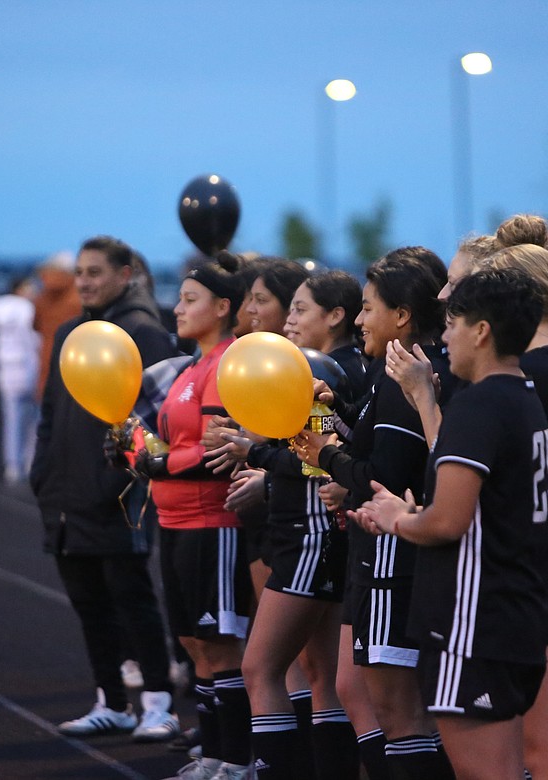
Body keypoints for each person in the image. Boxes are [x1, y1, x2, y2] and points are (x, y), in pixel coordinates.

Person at [387, 239, 548, 780]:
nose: (445, 319)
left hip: (510, 582)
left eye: (458, 301)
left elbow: (453, 505)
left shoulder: (517, 384)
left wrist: (399, 516)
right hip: (545, 566)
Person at [353, 267, 548, 780]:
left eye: (453, 323)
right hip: (516, 616)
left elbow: (448, 521)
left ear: (481, 330)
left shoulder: (479, 404)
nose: (444, 335)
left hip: (474, 626)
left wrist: (399, 519)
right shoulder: (526, 396)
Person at [294, 247, 456, 779]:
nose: (360, 319)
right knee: (366, 695)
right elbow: (382, 454)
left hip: (394, 557)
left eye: (368, 308)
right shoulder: (396, 374)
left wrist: (328, 458)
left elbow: (385, 474)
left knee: (401, 715)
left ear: (402, 315)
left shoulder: (405, 375)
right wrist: (337, 420)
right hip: (386, 554)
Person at [208, 270, 368, 780]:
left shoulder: (327, 376)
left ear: (334, 317)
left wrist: (259, 455)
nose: (287, 319)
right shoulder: (318, 370)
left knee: (260, 667)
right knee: (323, 675)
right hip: (308, 531)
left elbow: (325, 456)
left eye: (299, 309)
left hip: (314, 534)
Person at [29, 235, 181, 743]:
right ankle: (111, 701)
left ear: (125, 275)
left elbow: (159, 420)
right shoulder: (70, 330)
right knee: (88, 602)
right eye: (80, 272)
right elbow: (51, 410)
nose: (85, 281)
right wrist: (43, 470)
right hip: (65, 494)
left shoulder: (144, 333)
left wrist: (118, 477)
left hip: (119, 495)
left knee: (130, 596)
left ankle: (158, 703)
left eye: (96, 272)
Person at [136, 252, 256, 780]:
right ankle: (211, 755)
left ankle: (236, 760)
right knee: (192, 644)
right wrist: (134, 445)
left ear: (223, 306)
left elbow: (212, 455)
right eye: (178, 298)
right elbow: (170, 442)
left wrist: (156, 460)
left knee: (221, 646)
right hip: (174, 522)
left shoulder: (225, 363)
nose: (177, 309)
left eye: (190, 299)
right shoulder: (189, 367)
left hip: (213, 525)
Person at [0, 275, 40, 484]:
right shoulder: (28, 310)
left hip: (7, 370)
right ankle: (29, 461)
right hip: (28, 367)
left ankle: (13, 464)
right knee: (34, 420)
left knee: (12, 420)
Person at [31, 250, 82, 403]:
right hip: (74, 361)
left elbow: (35, 325)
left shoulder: (42, 296)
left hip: (47, 357)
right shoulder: (78, 296)